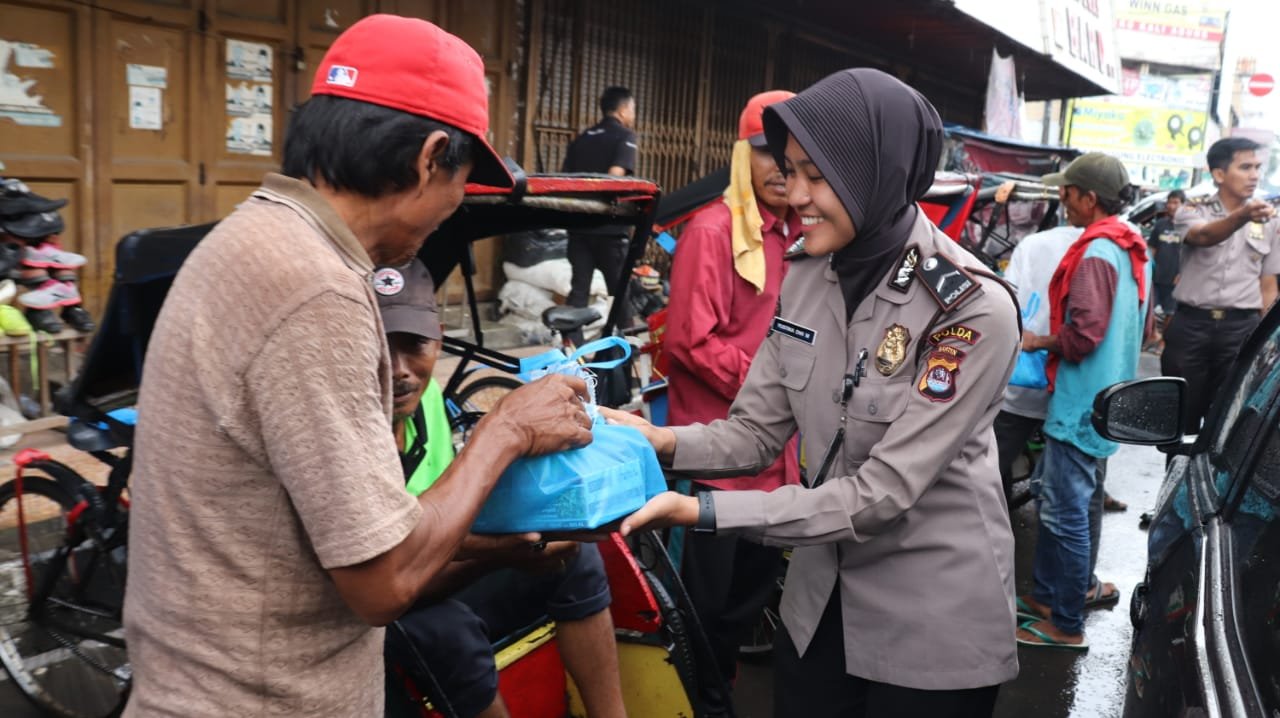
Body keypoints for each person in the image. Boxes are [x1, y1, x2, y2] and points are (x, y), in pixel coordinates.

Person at [123, 16, 594, 716]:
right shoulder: (316, 287)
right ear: (431, 157)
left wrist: (490, 537)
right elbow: (383, 582)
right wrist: (508, 431)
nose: (451, 210)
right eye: (462, 181)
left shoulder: (253, 236)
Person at [604, 69, 1021, 718]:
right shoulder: (806, 274)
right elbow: (753, 433)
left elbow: (881, 494)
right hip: (819, 602)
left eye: (816, 175)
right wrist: (653, 439)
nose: (792, 192)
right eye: (789, 170)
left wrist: (702, 514)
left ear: (877, 171)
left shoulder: (968, 310)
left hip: (930, 625)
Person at [374, 260, 626, 718]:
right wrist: (499, 549)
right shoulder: (342, 421)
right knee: (446, 631)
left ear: (439, 335)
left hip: (439, 558)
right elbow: (393, 568)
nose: (399, 370)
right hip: (380, 597)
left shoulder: (426, 396)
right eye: (378, 346)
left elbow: (459, 514)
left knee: (577, 555)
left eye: (414, 346)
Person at [663, 89, 801, 717]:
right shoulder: (714, 229)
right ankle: (703, 704)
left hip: (779, 460)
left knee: (752, 597)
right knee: (706, 606)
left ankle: (721, 695)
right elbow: (689, 341)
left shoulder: (801, 236)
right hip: (718, 455)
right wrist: (777, 387)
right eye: (769, 154)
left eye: (795, 158)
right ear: (743, 156)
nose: (782, 169)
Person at [1017, 152, 1152, 651]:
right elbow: (1144, 326)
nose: (1062, 201)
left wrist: (1038, 342)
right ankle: (1053, 597)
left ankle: (1066, 623)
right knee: (1081, 506)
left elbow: (1083, 336)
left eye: (1068, 193)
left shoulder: (1096, 251)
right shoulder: (1133, 247)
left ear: (1089, 198)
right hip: (1108, 400)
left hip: (1080, 403)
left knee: (1065, 515)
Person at [1165, 137, 1280, 434]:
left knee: (1227, 428)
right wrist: (1243, 216)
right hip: (1191, 327)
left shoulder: (1270, 220)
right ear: (1218, 174)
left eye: (1257, 167)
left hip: (1241, 331)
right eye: (1245, 167)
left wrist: (1268, 343)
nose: (1254, 175)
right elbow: (1203, 237)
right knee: (1180, 425)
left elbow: (1268, 285)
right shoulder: (1192, 209)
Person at [561, 86, 639, 338]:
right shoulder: (625, 136)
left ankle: (573, 352)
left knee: (579, 292)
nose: (633, 115)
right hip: (610, 230)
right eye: (633, 109)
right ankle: (627, 352)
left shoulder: (581, 139)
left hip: (579, 227)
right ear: (623, 109)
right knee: (620, 294)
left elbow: (566, 181)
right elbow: (615, 177)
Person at [1149, 189, 1185, 321]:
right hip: (1156, 276)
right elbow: (1152, 248)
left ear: (1183, 205)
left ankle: (1164, 339)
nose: (1171, 206)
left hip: (1175, 278)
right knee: (1150, 307)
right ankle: (1153, 334)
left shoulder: (1188, 226)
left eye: (1176, 202)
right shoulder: (1160, 224)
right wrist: (1148, 269)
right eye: (1169, 202)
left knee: (1171, 312)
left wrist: (1183, 273)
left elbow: (1192, 254)